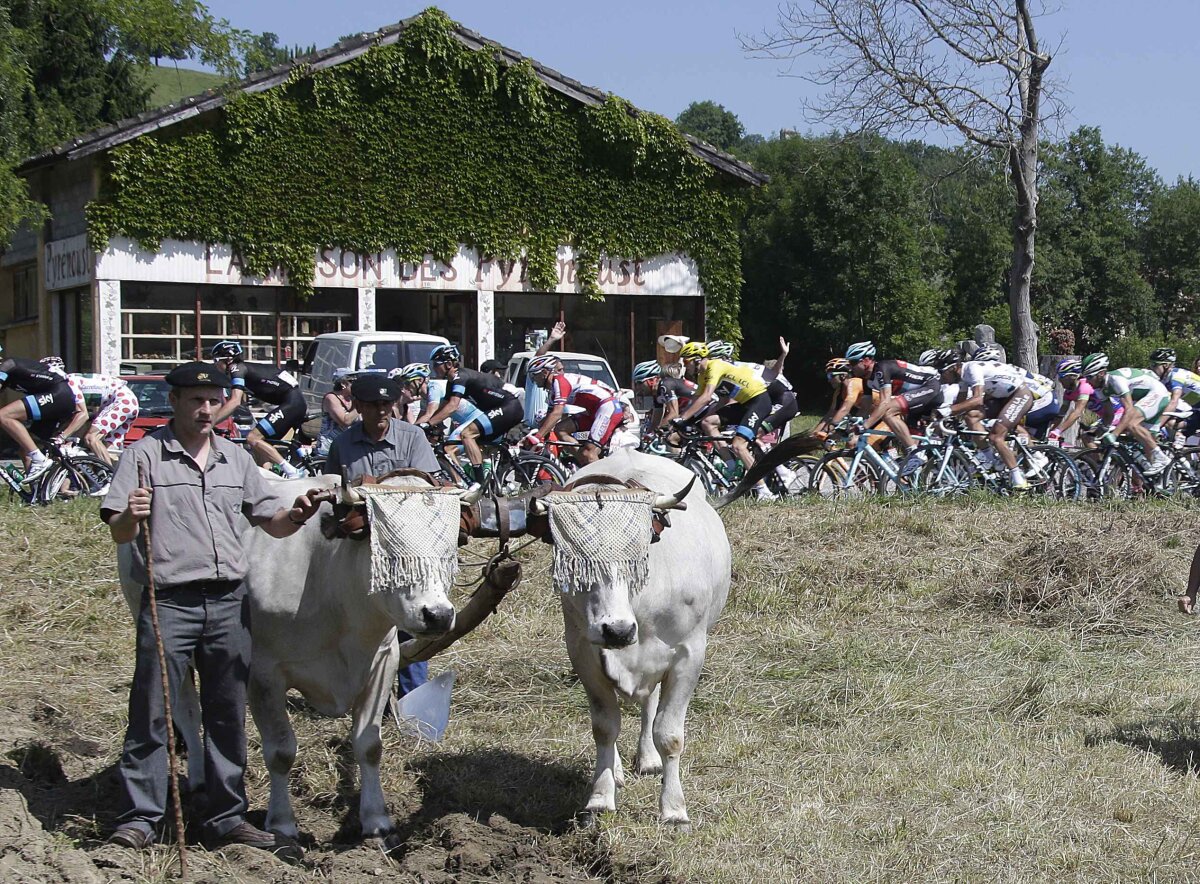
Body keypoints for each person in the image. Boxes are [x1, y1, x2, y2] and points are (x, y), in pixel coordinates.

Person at [100, 361, 321, 854]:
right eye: (196, 399)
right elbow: (117, 529)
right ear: (175, 401)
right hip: (169, 603)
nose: (206, 409)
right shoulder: (143, 456)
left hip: (228, 604)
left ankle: (226, 817)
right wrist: (130, 518)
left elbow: (273, 522)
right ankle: (142, 817)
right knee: (153, 713)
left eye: (213, 399)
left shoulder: (236, 459)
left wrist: (299, 514)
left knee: (226, 713)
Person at [323, 375, 442, 697]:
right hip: (362, 549)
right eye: (373, 405)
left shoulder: (413, 437)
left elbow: (426, 489)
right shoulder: (342, 444)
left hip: (409, 549)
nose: (381, 411)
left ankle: (412, 694)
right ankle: (363, 692)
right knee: (358, 622)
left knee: (412, 617)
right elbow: (335, 495)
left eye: (387, 404)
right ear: (358, 407)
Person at [674, 341, 775, 498]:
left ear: (697, 359)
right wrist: (680, 418)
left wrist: (683, 418)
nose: (685, 366)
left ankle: (765, 491)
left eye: (686, 361)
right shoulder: (702, 375)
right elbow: (696, 398)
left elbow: (707, 397)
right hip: (744, 404)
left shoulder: (715, 365)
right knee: (707, 422)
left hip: (758, 401)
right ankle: (731, 465)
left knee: (739, 446)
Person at [424, 344, 524, 485]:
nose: (433, 368)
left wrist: (429, 424)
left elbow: (452, 405)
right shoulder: (451, 382)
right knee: (467, 445)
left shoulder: (460, 376)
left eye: (436, 364)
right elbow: (441, 408)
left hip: (508, 407)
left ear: (448, 364)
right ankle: (490, 483)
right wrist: (419, 426)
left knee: (467, 434)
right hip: (501, 408)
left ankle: (479, 484)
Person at [209, 340, 308, 478]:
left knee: (252, 437)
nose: (215, 364)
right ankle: (268, 478)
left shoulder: (236, 368)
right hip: (293, 401)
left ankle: (292, 471)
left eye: (216, 360)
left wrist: (211, 422)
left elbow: (235, 401)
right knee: (260, 444)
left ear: (227, 359)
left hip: (292, 403)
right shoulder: (243, 369)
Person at [845, 341, 941, 476]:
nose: (850, 367)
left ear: (866, 361)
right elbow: (866, 407)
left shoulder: (882, 369)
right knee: (909, 441)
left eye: (853, 363)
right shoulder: (867, 379)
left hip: (930, 386)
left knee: (888, 412)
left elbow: (884, 402)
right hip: (916, 397)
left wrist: (865, 426)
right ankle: (919, 481)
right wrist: (852, 425)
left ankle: (916, 453)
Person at [0, 346, 87, 484]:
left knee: (4, 415)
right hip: (54, 400)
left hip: (58, 394)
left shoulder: (7, 365)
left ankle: (39, 459)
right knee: (25, 450)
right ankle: (37, 493)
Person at [1081, 352, 1172, 474]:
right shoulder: (1099, 388)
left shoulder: (1115, 380)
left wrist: (1114, 434)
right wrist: (1099, 431)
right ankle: (1158, 483)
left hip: (1157, 393)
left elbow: (1128, 410)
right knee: (1145, 443)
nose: (1087, 381)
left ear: (1101, 373)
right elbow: (1109, 415)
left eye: (1089, 377)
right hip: (1144, 399)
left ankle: (1161, 458)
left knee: (1131, 424)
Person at [526, 353, 624, 466]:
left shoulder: (560, 381)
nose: (533, 380)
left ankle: (603, 481)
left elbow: (557, 414)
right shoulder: (552, 391)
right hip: (595, 410)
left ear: (544, 373)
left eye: (534, 376)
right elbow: (548, 420)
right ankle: (585, 463)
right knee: (560, 429)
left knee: (589, 453)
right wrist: (533, 435)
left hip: (608, 407)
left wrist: (537, 437)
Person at [57, 368, 140, 465]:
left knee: (91, 437)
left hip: (123, 401)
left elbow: (83, 415)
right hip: (127, 402)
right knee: (104, 450)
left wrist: (61, 437)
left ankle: (111, 477)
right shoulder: (69, 381)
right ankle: (118, 476)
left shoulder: (69, 382)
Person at [1149, 347, 1200, 443]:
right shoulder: (1164, 379)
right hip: (1197, 410)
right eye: (1151, 365)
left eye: (1155, 365)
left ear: (1166, 365)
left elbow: (1174, 402)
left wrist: (1156, 426)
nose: (1152, 368)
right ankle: (1179, 455)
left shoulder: (1176, 376)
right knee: (1170, 425)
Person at [316, 368, 357, 456]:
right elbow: (344, 421)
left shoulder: (352, 399)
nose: (356, 384)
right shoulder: (331, 398)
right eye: (352, 381)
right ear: (343, 384)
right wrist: (359, 406)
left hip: (348, 444)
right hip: (330, 445)